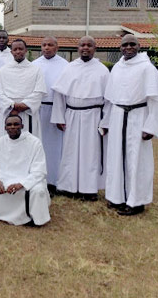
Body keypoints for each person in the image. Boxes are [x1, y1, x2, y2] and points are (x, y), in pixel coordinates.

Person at [101, 35, 158, 215]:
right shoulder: (116, 67)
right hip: (117, 116)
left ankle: (136, 202)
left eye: (132, 44)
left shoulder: (147, 68)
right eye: (125, 45)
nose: (128, 47)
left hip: (138, 116)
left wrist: (151, 126)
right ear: (120, 48)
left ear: (139, 46)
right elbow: (109, 99)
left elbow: (155, 100)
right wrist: (106, 122)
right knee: (116, 158)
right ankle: (117, 198)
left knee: (137, 160)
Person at [51, 36, 110, 201]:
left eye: (89, 45)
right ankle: (69, 187)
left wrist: (105, 122)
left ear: (94, 48)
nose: (85, 48)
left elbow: (109, 100)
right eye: (82, 45)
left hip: (93, 117)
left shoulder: (102, 70)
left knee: (91, 153)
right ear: (78, 48)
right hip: (72, 115)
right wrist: (59, 117)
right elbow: (59, 95)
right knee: (70, 152)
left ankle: (89, 189)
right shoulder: (70, 68)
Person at [0, 114, 51, 226]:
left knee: (38, 191)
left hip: (28, 181)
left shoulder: (34, 143)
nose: (12, 127)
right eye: (9, 125)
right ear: (5, 128)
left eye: (16, 124)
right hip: (4, 180)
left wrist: (21, 184)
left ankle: (33, 218)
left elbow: (39, 171)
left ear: (22, 126)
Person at [32, 37, 68, 193]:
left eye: (50, 45)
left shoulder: (66, 66)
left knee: (55, 148)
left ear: (57, 47)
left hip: (56, 110)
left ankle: (54, 180)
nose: (47, 48)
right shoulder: (34, 65)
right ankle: (38, 178)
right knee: (38, 146)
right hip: (37, 109)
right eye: (44, 45)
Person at [0, 38, 46, 140]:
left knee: (29, 145)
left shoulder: (35, 69)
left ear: (26, 50)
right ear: (11, 51)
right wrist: (11, 107)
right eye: (15, 49)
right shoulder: (3, 70)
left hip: (28, 113)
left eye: (20, 49)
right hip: (9, 114)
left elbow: (39, 92)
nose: (18, 51)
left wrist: (23, 106)